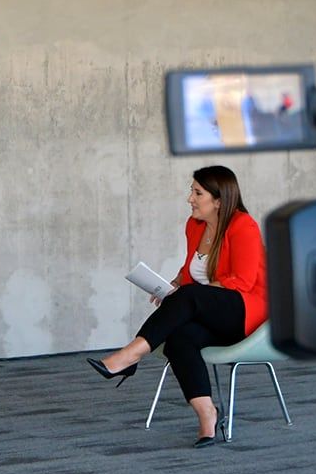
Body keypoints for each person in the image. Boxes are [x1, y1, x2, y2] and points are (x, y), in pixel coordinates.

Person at [89, 165, 267, 448]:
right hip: (209, 313)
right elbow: (190, 271)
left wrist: (185, 295)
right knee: (178, 337)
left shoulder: (243, 225)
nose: (190, 199)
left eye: (197, 193)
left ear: (218, 200)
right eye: (191, 191)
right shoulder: (194, 225)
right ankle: (207, 415)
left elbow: (243, 282)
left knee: (188, 297)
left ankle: (129, 356)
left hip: (244, 315)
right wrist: (171, 285)